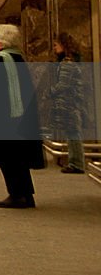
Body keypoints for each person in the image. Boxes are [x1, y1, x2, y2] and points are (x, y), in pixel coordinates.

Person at [0, 24, 44, 208]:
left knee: (8, 157)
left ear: (1, 42)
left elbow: (2, 91)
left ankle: (17, 194)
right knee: (17, 158)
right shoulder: (17, 58)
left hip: (7, 118)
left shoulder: (3, 60)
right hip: (17, 116)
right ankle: (25, 194)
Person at [49, 33, 85, 174]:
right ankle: (75, 162)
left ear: (64, 46)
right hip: (71, 101)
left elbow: (63, 85)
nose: (54, 48)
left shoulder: (67, 64)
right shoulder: (71, 62)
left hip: (69, 102)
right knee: (73, 132)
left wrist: (50, 92)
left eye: (56, 45)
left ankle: (76, 163)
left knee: (73, 133)